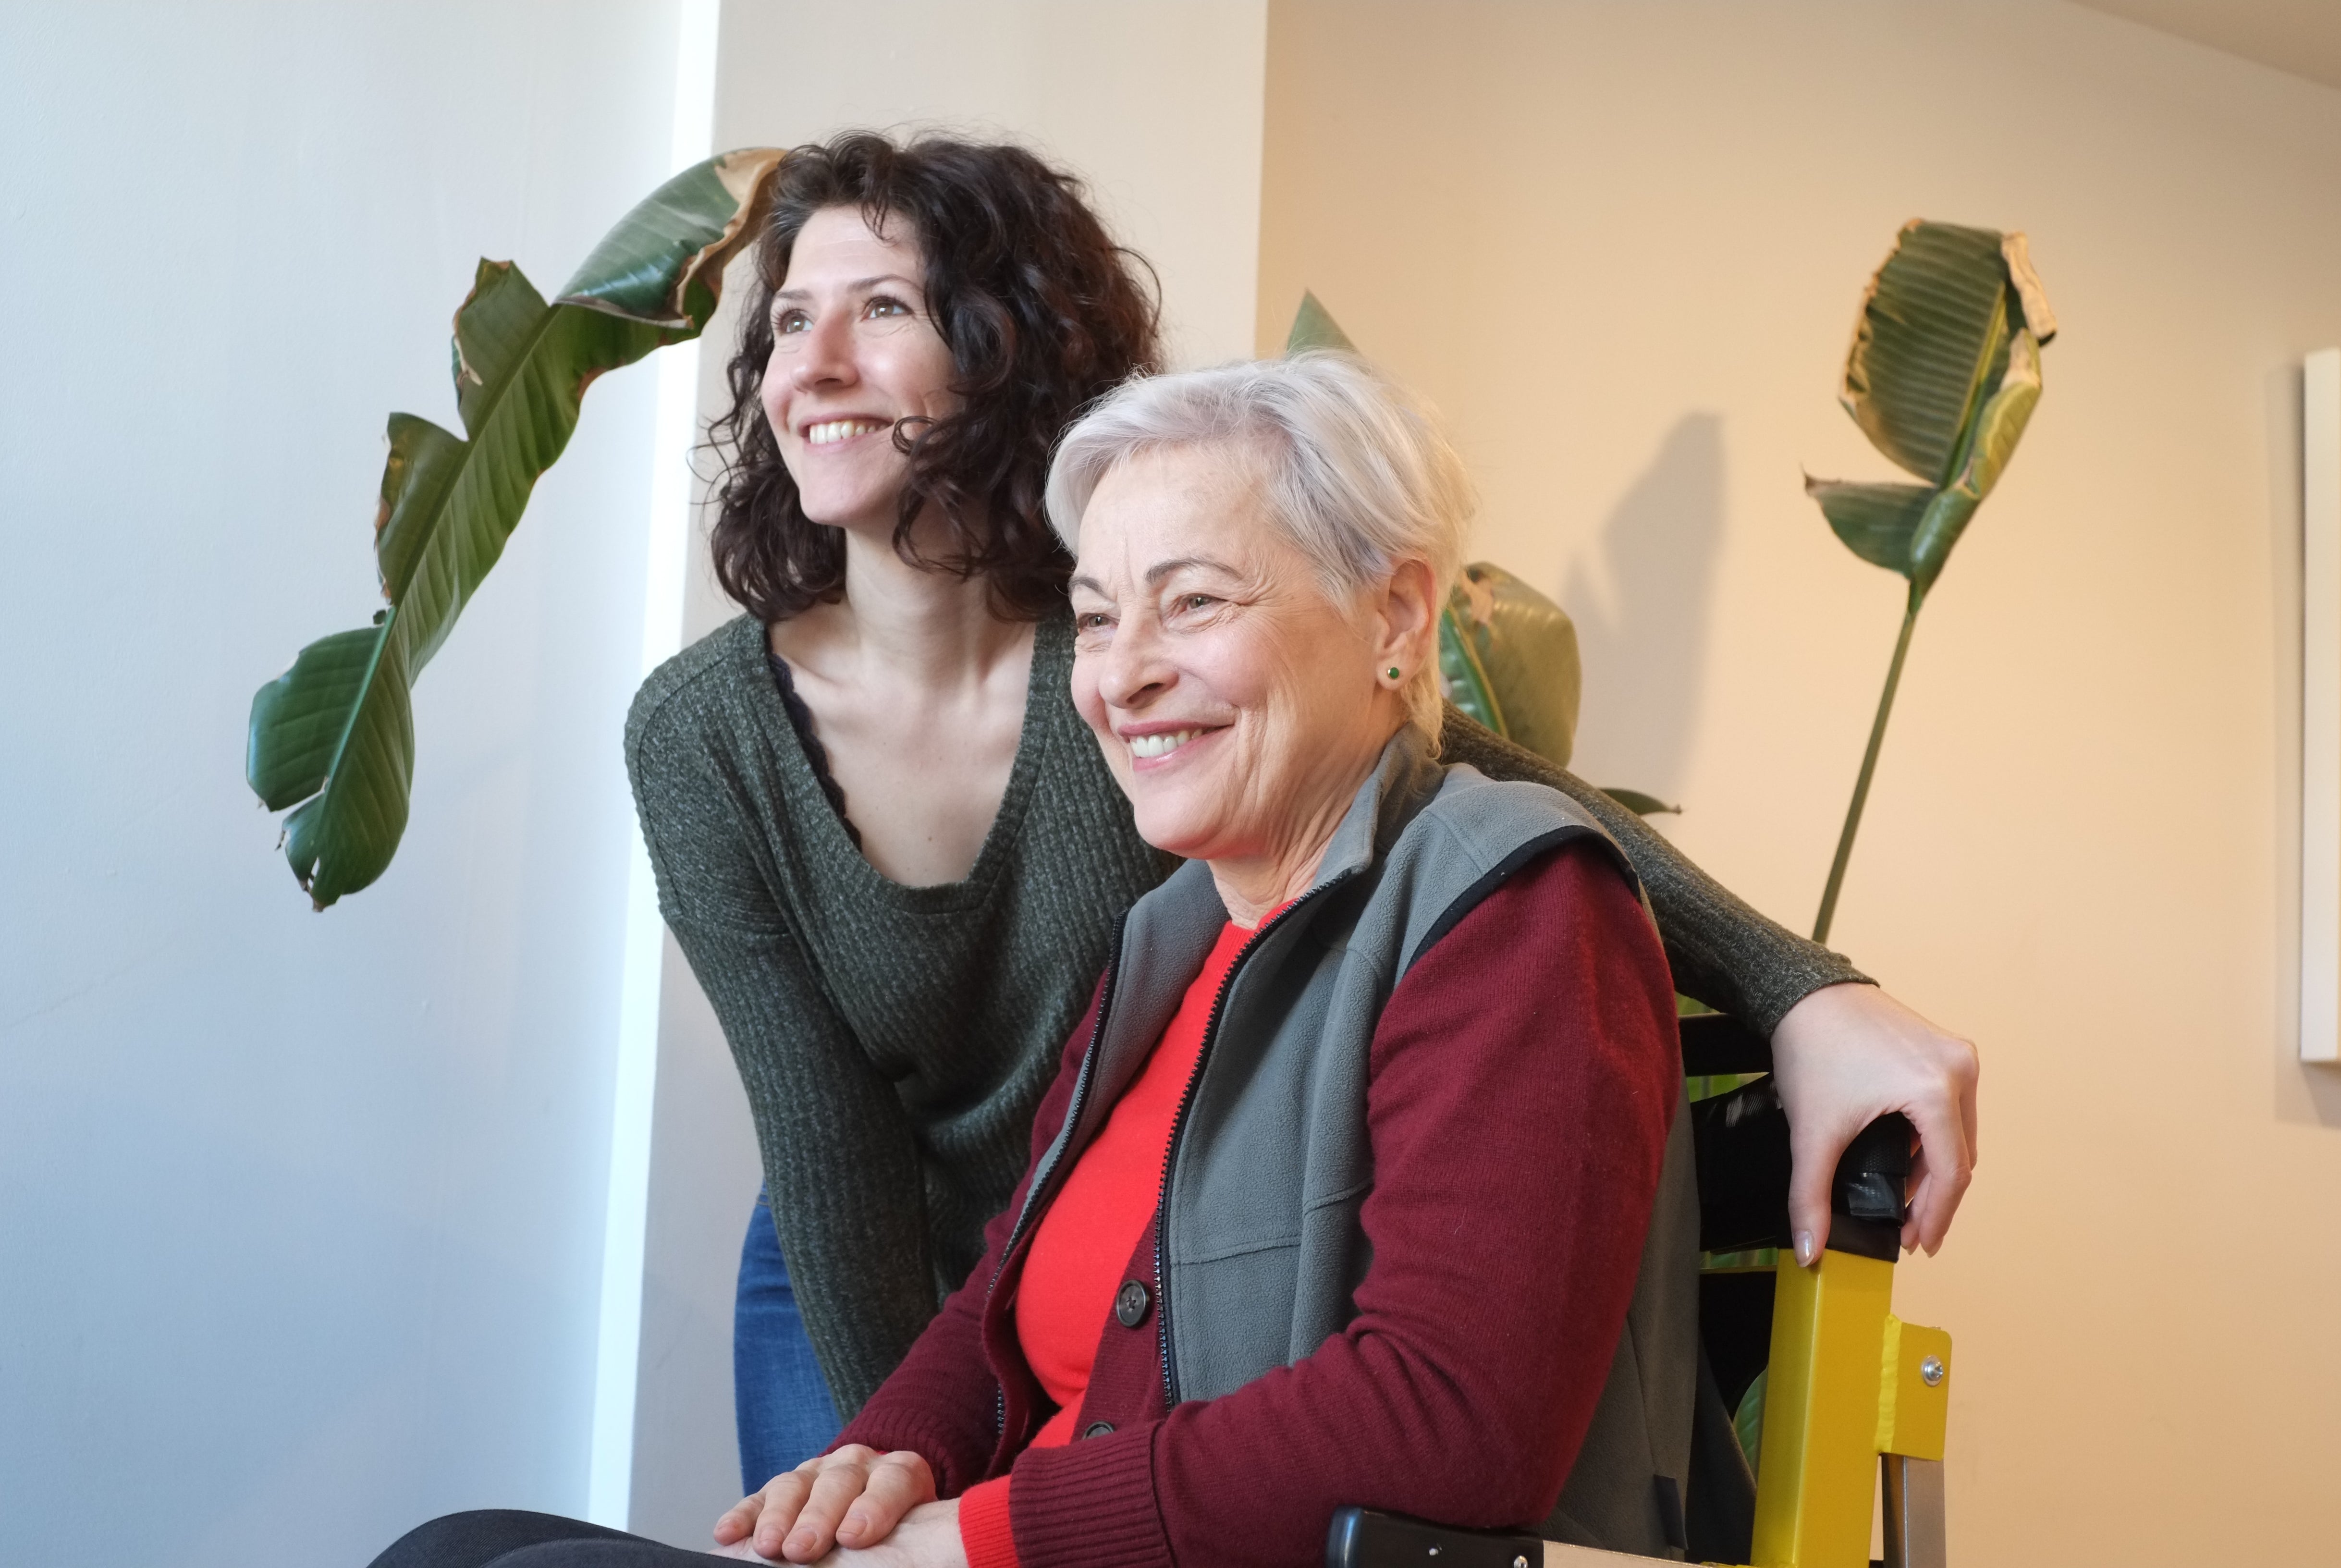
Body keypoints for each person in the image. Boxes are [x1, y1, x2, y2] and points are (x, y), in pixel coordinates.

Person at [616, 132, 1979, 1497]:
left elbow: (1470, 785)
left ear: (999, 341)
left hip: (1178, 1235)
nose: (811, 365)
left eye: (881, 308)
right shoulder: (709, 737)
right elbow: (833, 1150)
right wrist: (897, 1477)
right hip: (907, 1263)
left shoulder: (1150, 686)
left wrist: (1803, 990)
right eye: (788, 320)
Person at [375, 351, 1703, 1568]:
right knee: (455, 1549)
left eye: (1193, 603)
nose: (1123, 677)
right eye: (1099, 618)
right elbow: (999, 1305)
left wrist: (973, 1537)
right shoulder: (1174, 937)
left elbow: (1450, 1418)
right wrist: (887, 1459)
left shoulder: (1514, 912)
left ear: (1397, 617)